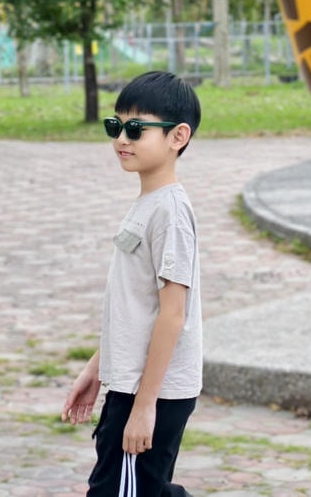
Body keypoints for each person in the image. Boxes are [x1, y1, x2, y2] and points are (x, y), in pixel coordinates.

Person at [62, 71, 203, 496]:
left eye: (137, 129)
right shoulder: (148, 203)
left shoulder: (170, 213)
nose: (122, 138)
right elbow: (136, 309)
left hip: (150, 394)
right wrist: (97, 368)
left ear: (178, 136)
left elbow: (172, 315)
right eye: (116, 126)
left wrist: (143, 408)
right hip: (129, 385)